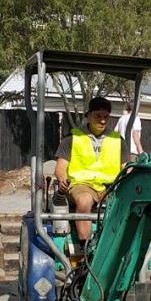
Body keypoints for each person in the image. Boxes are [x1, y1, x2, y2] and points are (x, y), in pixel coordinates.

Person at [54, 97, 129, 247]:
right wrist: (62, 179)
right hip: (81, 184)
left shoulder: (118, 140)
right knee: (84, 200)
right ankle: (86, 248)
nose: (102, 121)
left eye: (106, 117)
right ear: (88, 116)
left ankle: (120, 243)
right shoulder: (73, 137)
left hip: (110, 187)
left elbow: (126, 167)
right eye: (98, 116)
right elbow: (60, 167)